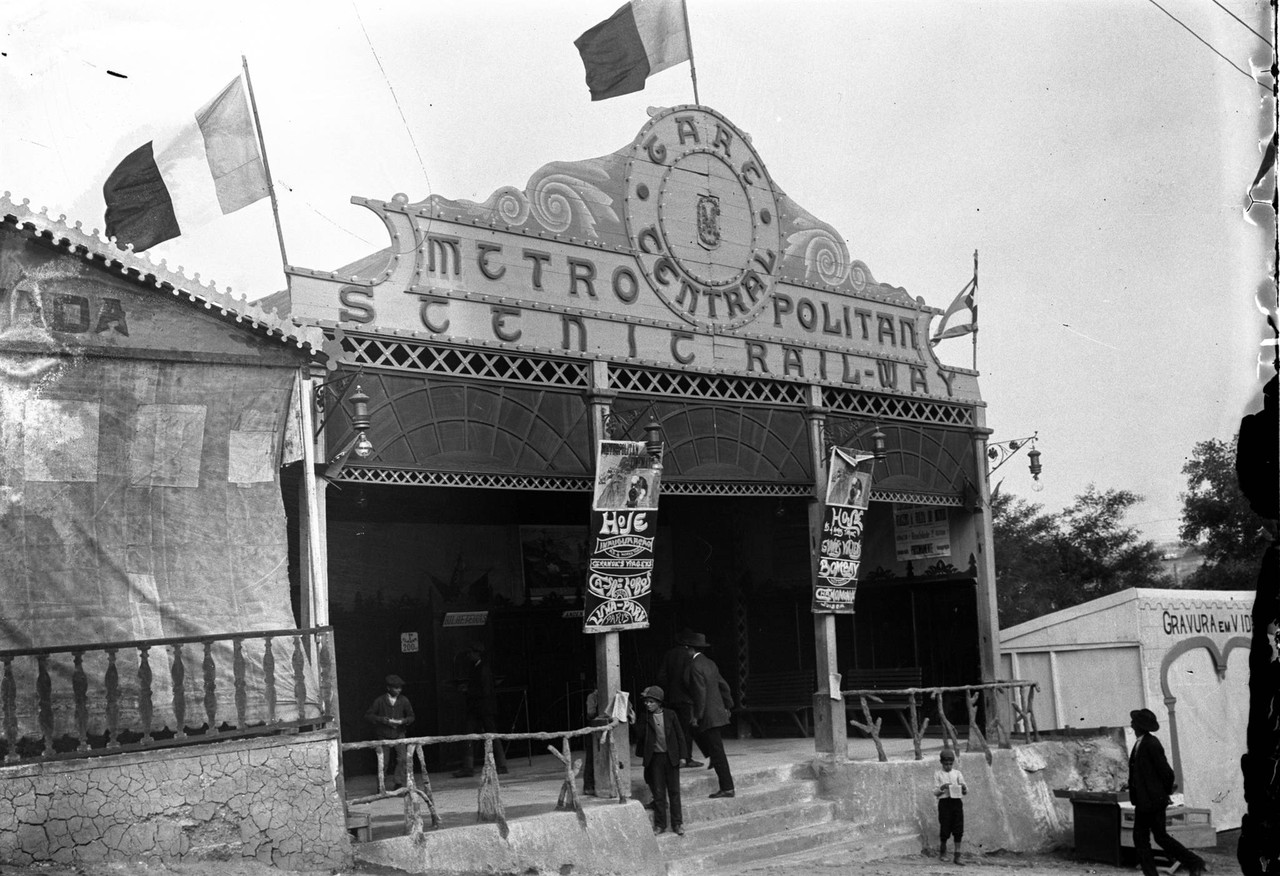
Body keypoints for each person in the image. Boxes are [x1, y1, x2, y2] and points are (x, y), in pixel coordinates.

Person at [1126, 707, 1207, 876]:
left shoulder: (1150, 743)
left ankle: (1154, 873)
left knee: (1142, 838)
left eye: (1134, 722)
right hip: (1147, 800)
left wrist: (1163, 794)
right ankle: (1194, 862)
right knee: (1159, 836)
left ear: (1141, 726)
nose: (1132, 724)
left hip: (1151, 801)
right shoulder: (1141, 743)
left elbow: (1167, 773)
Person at [686, 631, 735, 798]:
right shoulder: (710, 663)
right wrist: (728, 705)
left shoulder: (694, 666)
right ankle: (712, 757)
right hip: (717, 712)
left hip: (708, 715)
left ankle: (727, 787)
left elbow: (700, 694)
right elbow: (724, 686)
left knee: (718, 752)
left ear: (690, 649)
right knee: (710, 743)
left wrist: (697, 716)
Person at [634, 685, 686, 836]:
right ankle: (660, 825)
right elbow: (641, 735)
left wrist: (683, 756)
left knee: (674, 792)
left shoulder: (671, 715)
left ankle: (677, 824)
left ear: (659, 703)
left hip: (671, 758)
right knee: (658, 793)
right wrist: (633, 721)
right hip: (655, 759)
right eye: (646, 702)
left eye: (651, 702)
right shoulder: (645, 717)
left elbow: (680, 736)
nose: (647, 704)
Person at [454, 642, 509, 777]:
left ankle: (500, 765)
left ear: (476, 654)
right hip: (479, 708)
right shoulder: (476, 667)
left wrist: (468, 690)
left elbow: (484, 691)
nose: (469, 656)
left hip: (482, 708)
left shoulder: (482, 669)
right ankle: (473, 766)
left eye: (470, 653)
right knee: (482, 735)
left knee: (488, 735)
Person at [656, 627, 701, 768]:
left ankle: (674, 758)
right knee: (686, 730)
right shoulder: (689, 655)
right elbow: (690, 679)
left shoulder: (669, 654)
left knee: (673, 729)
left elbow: (661, 677)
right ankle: (687, 758)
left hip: (671, 699)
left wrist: (669, 690)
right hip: (686, 699)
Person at [364, 674, 415, 788]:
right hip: (383, 734)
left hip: (399, 733)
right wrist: (382, 720)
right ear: (388, 688)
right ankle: (381, 785)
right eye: (396, 688)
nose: (399, 690)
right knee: (383, 761)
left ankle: (398, 782)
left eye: (400, 688)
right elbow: (368, 715)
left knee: (402, 759)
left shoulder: (404, 700)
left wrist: (402, 721)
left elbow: (411, 716)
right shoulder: (380, 701)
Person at [934, 747, 967, 865]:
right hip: (944, 803)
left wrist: (962, 787)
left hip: (956, 802)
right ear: (941, 763)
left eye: (950, 764)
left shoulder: (957, 773)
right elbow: (935, 792)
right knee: (945, 827)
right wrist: (943, 787)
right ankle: (943, 853)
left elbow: (965, 790)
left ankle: (957, 855)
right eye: (946, 764)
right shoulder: (938, 774)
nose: (948, 766)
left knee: (958, 828)